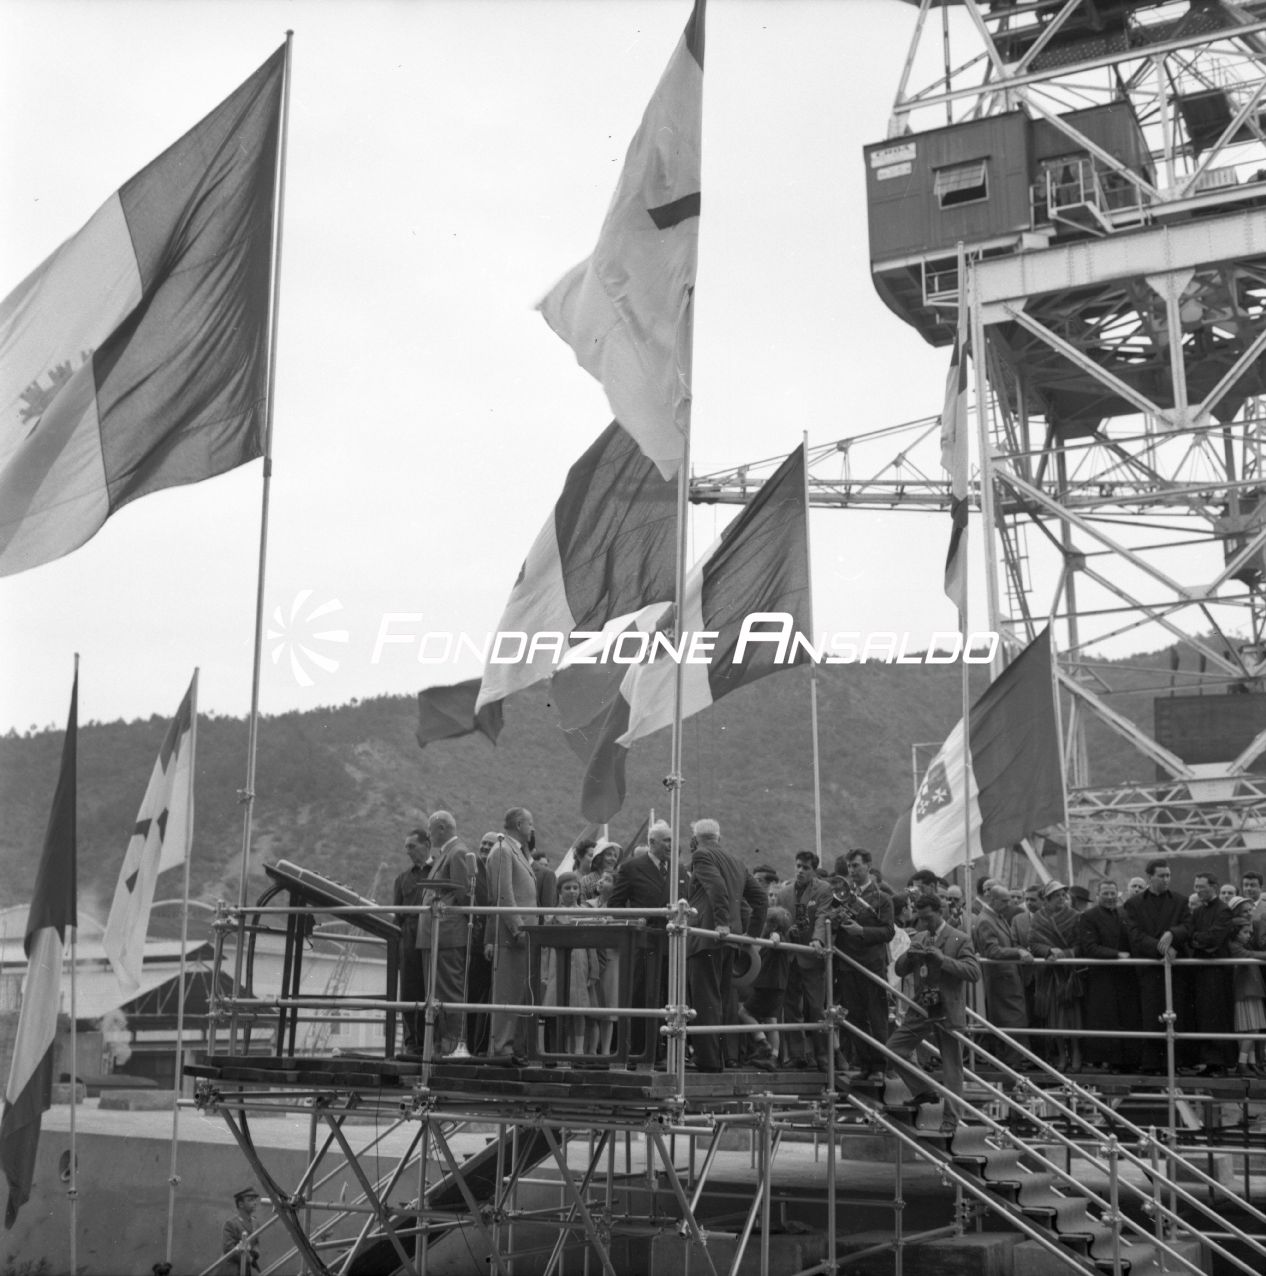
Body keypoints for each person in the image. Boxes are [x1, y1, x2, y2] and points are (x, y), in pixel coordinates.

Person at [885, 894, 980, 1133]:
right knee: (894, 1049)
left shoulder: (960, 938)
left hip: (947, 1008)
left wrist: (942, 960)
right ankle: (924, 1090)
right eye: (920, 918)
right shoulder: (919, 937)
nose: (924, 922)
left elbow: (973, 972)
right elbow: (899, 969)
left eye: (928, 917)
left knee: (952, 1066)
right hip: (922, 1007)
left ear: (940, 912)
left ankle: (951, 1119)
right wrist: (909, 955)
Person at [684, 819, 768, 1072]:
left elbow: (717, 888)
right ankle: (720, 1058)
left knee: (705, 999)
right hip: (731, 941)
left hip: (707, 937)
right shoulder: (736, 861)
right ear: (718, 837)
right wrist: (751, 935)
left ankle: (708, 1061)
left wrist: (721, 923)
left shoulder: (701, 855)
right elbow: (760, 898)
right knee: (721, 999)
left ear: (696, 839)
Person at [607, 819, 681, 1061]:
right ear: (652, 842)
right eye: (666, 840)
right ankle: (641, 1052)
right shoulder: (632, 868)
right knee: (643, 996)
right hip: (645, 944)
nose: (671, 845)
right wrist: (635, 918)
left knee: (669, 998)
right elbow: (615, 906)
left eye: (672, 840)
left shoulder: (678, 870)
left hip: (672, 944)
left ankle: (665, 1053)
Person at [1123, 858, 1191, 1074]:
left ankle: (1175, 1063)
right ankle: (1152, 1064)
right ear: (1150, 877)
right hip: (1150, 968)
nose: (1166, 879)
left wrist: (1173, 934)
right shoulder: (1133, 904)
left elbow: (1188, 926)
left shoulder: (1180, 901)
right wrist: (1161, 948)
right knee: (1151, 1014)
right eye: (1161, 876)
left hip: (1174, 968)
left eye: (1168, 875)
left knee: (1176, 1014)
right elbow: (1134, 935)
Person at [831, 848, 895, 1080]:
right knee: (854, 1016)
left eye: (856, 865)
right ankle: (864, 1064)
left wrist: (862, 931)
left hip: (870, 965)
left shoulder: (882, 898)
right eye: (849, 866)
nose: (852, 870)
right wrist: (835, 921)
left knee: (877, 1017)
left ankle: (879, 1066)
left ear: (868, 866)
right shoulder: (843, 895)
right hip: (848, 965)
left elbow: (888, 931)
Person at [419, 811, 477, 1057]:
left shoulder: (458, 853)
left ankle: (452, 1046)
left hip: (447, 934)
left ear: (441, 828)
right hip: (435, 935)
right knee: (435, 993)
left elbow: (464, 895)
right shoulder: (446, 854)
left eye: (430, 830)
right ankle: (441, 1046)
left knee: (449, 992)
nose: (429, 835)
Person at [485, 807, 539, 1063]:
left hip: (522, 938)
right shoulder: (502, 850)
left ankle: (512, 1048)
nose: (532, 828)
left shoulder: (516, 851)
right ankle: (501, 1049)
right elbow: (503, 894)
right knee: (507, 994)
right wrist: (518, 928)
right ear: (519, 824)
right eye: (530, 823)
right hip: (511, 938)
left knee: (518, 993)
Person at [775, 851, 834, 1070]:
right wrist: (784, 932)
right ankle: (797, 1055)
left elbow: (822, 916)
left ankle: (822, 1055)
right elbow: (778, 920)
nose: (800, 870)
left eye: (806, 867)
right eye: (798, 866)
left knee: (816, 1007)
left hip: (811, 955)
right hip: (790, 955)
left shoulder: (824, 889)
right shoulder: (784, 893)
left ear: (814, 870)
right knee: (791, 1007)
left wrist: (818, 939)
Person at [1076, 879, 1140, 1073]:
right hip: (1102, 976)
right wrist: (1116, 954)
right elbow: (1089, 947)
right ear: (1098, 896)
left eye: (1113, 893)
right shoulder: (1088, 917)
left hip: (1125, 977)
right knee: (1106, 1018)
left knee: (1127, 1017)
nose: (1110, 897)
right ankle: (1110, 1061)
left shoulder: (1124, 914)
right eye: (1106, 894)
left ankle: (1127, 1060)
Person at [972, 877, 1033, 1069]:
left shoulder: (996, 917)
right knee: (1012, 1022)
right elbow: (992, 951)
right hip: (1001, 980)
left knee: (1012, 1022)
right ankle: (1011, 1064)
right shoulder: (986, 920)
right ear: (993, 900)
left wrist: (1019, 949)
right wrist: (1018, 952)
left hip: (1008, 978)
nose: (1009, 904)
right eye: (1005, 901)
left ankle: (1012, 1062)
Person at [1030, 881, 1085, 1073]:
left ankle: (1076, 1052)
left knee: (1073, 1016)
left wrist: (1066, 954)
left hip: (1069, 974)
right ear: (1046, 900)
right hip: (1049, 975)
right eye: (1056, 896)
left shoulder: (1076, 917)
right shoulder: (1038, 918)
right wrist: (1048, 951)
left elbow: (1081, 944)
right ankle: (1062, 1054)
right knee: (1054, 1016)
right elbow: (1033, 943)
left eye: (1063, 895)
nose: (1061, 899)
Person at [1187, 872, 1236, 1076]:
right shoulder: (1198, 911)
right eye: (1196, 887)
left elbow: (1214, 939)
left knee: (1217, 1015)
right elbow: (1191, 935)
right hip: (1202, 971)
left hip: (1217, 972)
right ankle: (1209, 1061)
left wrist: (1197, 939)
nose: (1198, 891)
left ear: (1213, 887)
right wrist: (1199, 939)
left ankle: (1220, 1063)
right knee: (1204, 1015)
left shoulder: (1223, 910)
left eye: (1201, 887)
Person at [391, 827, 431, 1055]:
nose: (408, 851)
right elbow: (397, 916)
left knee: (430, 988)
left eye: (412, 846)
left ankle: (430, 1040)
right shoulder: (402, 879)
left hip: (431, 937)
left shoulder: (438, 873)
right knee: (408, 990)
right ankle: (412, 1042)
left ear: (426, 845)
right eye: (406, 847)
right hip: (408, 939)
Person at [466, 830, 499, 1056]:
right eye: (483, 843)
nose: (485, 847)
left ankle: (485, 1045)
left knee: (492, 998)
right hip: (475, 944)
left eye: (490, 844)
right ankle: (470, 1044)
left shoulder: (498, 872)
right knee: (473, 996)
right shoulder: (473, 872)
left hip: (494, 943)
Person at [1227, 900, 1266, 1075]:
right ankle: (1242, 1063)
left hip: (1252, 991)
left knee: (1253, 1028)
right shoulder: (1235, 947)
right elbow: (1251, 954)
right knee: (1251, 1028)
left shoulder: (1241, 945)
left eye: (1250, 932)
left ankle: (1251, 1063)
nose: (1249, 935)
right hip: (1245, 992)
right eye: (1245, 932)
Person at [219, 1186, 261, 1275]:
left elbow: (256, 1243)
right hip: (231, 1270)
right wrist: (248, 1258)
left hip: (245, 1270)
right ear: (241, 1204)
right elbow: (228, 1248)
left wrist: (255, 1253)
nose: (255, 1203)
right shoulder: (231, 1224)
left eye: (255, 1200)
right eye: (250, 1200)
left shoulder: (255, 1223)